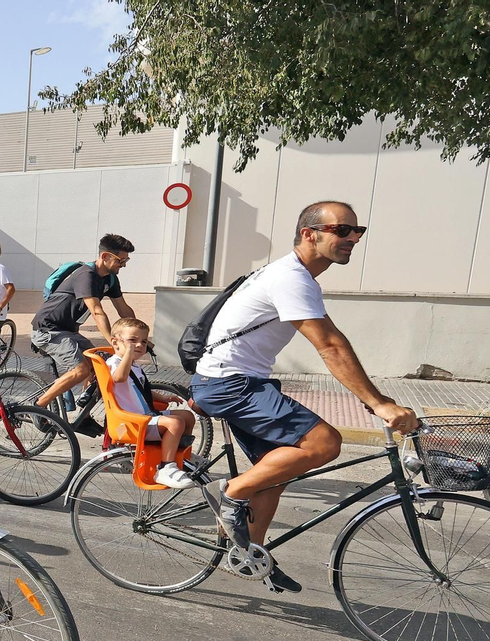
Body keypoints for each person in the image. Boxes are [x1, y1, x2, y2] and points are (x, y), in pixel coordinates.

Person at [191, 200, 417, 593]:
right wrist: (380, 405)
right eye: (341, 230)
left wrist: (373, 396)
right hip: (229, 383)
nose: (352, 238)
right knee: (325, 442)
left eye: (357, 231)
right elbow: (328, 347)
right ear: (309, 234)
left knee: (275, 474)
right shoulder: (290, 278)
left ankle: (248, 555)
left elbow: (336, 341)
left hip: (237, 381)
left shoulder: (300, 279)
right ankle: (231, 491)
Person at [31, 234, 138, 428]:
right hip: (48, 330)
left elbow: (123, 309)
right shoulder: (85, 275)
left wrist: (140, 337)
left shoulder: (110, 279)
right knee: (81, 370)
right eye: (120, 260)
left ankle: (83, 418)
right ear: (105, 256)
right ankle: (38, 406)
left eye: (126, 260)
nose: (123, 265)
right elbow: (97, 312)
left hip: (68, 331)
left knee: (100, 368)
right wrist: (116, 342)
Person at [104, 318, 196, 489]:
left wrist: (163, 398)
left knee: (187, 416)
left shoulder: (133, 366)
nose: (139, 345)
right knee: (175, 423)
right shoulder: (113, 363)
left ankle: (180, 456)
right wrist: (128, 356)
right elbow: (119, 378)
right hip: (133, 423)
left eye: (143, 342)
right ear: (115, 342)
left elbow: (140, 389)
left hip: (146, 417)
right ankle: (166, 467)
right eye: (132, 340)